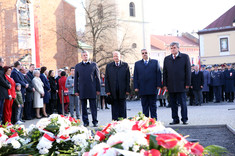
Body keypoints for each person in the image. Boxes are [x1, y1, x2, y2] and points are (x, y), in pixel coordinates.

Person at [163, 42, 191, 125]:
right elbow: (165, 72)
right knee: (173, 103)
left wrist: (187, 83)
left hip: (181, 84)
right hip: (171, 85)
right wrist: (164, 84)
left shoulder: (185, 57)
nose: (173, 49)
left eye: (174, 47)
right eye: (171, 48)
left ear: (178, 48)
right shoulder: (167, 59)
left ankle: (184, 119)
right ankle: (175, 119)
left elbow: (188, 71)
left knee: (183, 103)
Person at [74, 51, 100, 127]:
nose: (85, 56)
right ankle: (85, 122)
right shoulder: (78, 66)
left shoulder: (94, 65)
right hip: (82, 89)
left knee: (93, 107)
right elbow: (76, 79)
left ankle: (95, 121)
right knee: (83, 107)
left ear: (89, 56)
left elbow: (97, 78)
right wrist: (76, 90)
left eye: (87, 55)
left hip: (92, 89)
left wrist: (98, 89)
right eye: (84, 55)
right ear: (81, 56)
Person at [134, 49, 161, 120]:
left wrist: (158, 85)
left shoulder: (155, 62)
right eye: (143, 53)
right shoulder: (137, 64)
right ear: (141, 54)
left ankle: (154, 120)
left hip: (153, 87)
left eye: (146, 53)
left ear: (149, 53)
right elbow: (135, 76)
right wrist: (136, 86)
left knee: (153, 105)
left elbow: (158, 74)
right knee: (144, 106)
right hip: (142, 88)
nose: (144, 54)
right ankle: (145, 121)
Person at [105, 51, 130, 121]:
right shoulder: (109, 66)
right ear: (113, 57)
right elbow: (106, 79)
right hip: (113, 91)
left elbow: (128, 79)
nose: (116, 57)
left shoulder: (125, 65)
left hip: (123, 90)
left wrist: (128, 90)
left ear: (120, 56)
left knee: (123, 107)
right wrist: (107, 90)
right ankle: (115, 122)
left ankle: (123, 121)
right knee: (114, 108)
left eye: (117, 56)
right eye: (114, 56)